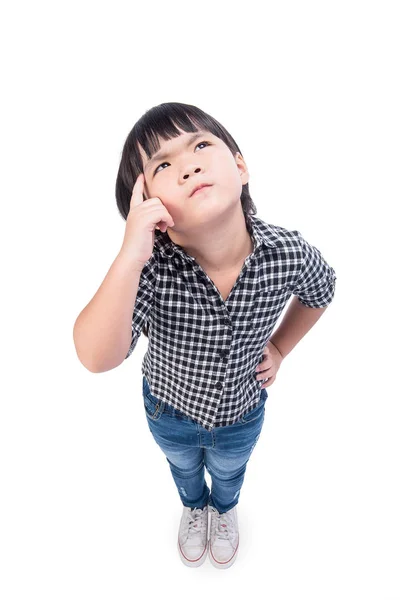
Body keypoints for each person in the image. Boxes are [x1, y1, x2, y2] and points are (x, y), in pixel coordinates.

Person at [73, 102, 337, 570]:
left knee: (231, 472)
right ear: (147, 205)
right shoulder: (149, 270)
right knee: (183, 470)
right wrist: (130, 255)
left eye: (200, 145)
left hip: (242, 411)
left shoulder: (287, 252)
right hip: (168, 409)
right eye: (164, 165)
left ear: (239, 165)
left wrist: (280, 346)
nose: (189, 164)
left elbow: (322, 290)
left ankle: (225, 508)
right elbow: (95, 355)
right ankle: (194, 507)